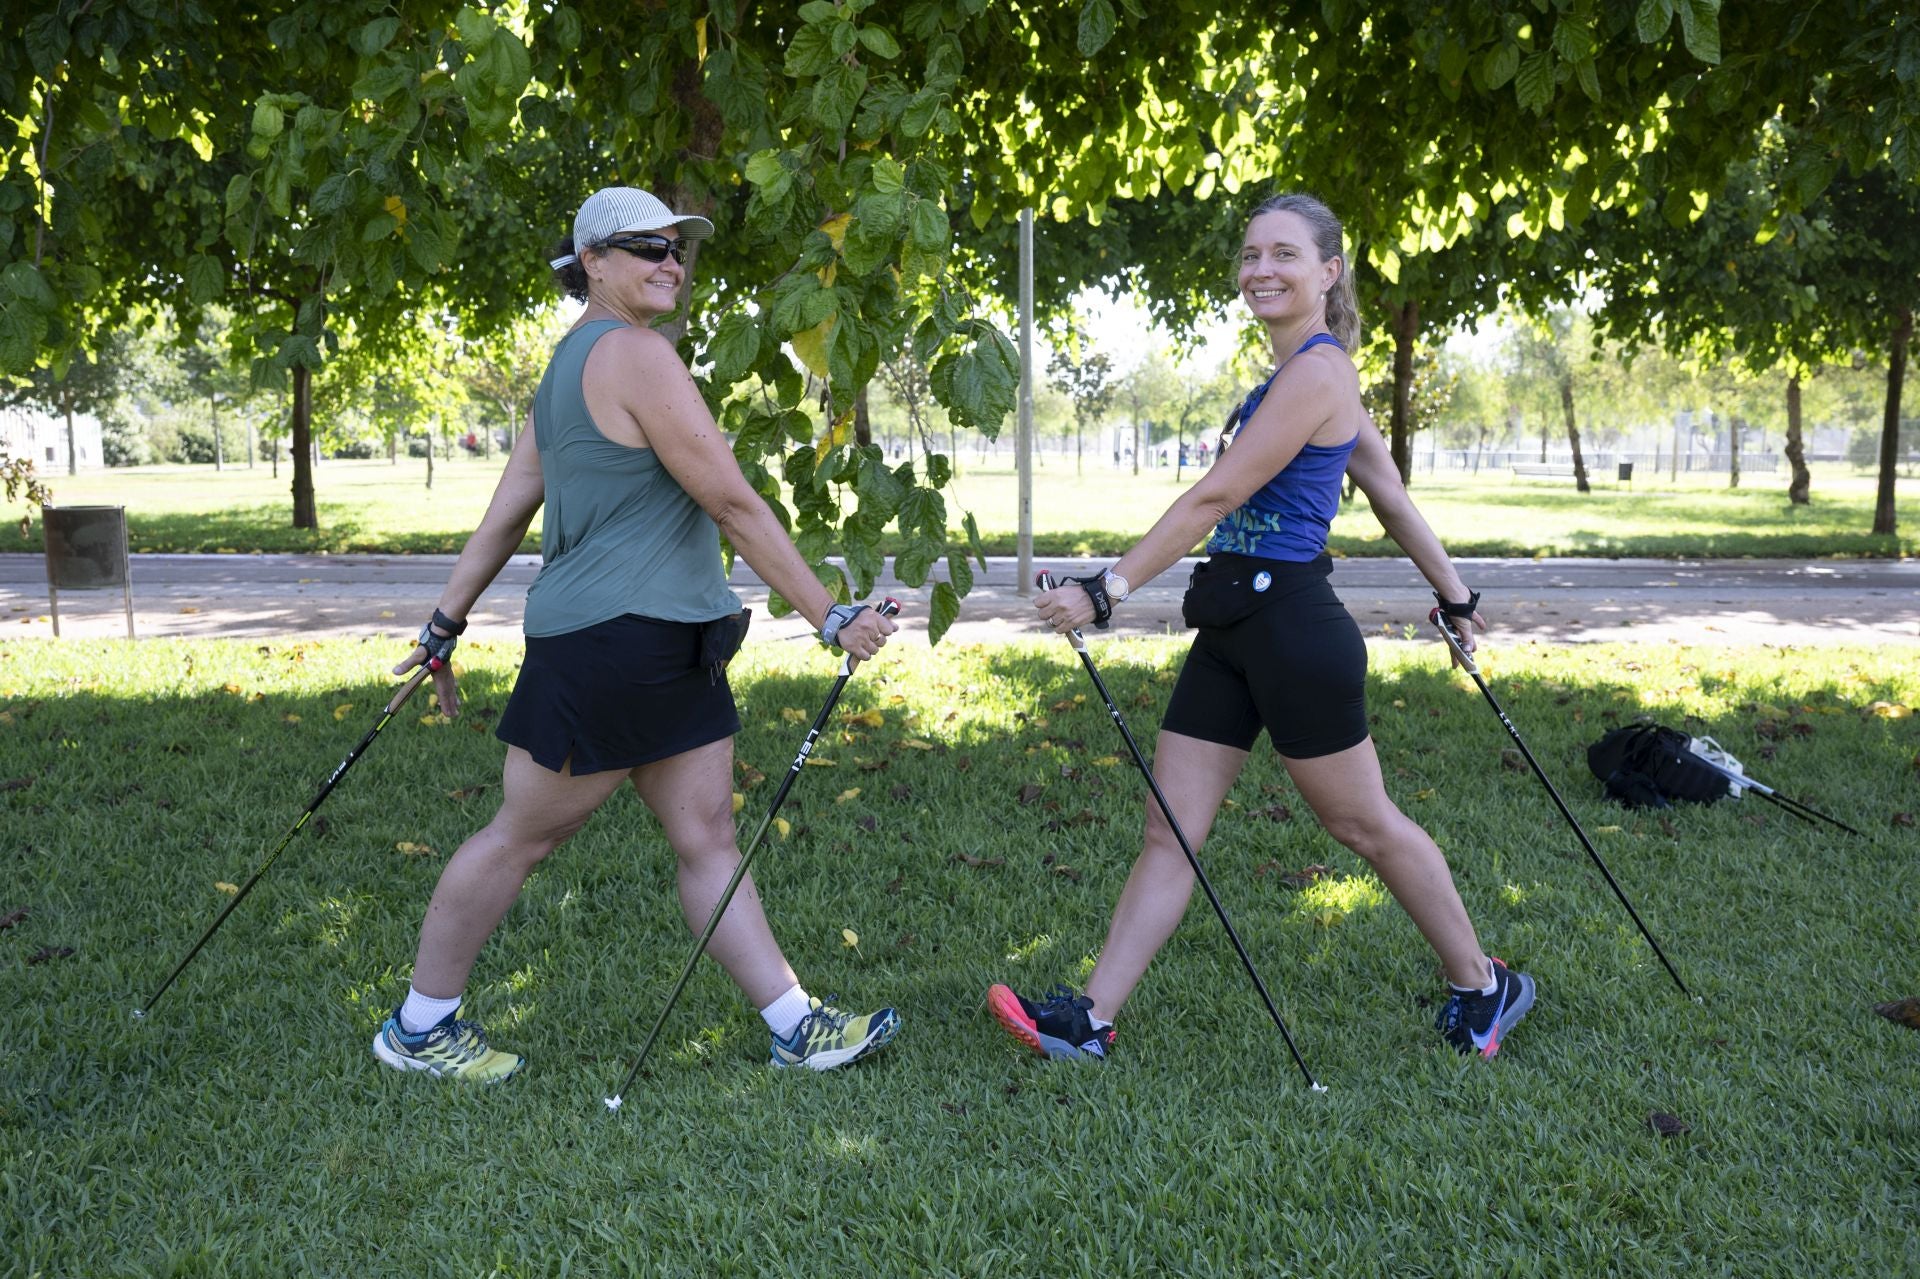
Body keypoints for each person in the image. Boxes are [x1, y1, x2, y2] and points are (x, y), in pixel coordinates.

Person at [988, 192, 1535, 1064]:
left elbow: (1218, 496)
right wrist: (1457, 595)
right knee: (1171, 826)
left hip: (1294, 631)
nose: (1261, 271)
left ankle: (1482, 982)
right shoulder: (1292, 381)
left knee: (1364, 825)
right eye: (1249, 256)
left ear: (1328, 271)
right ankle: (1089, 1017)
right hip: (1233, 628)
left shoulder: (1320, 374)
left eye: (1283, 254)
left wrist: (1111, 587)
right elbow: (1389, 494)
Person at [372, 187, 901, 1083]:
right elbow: (730, 499)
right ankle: (418, 1027)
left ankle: (794, 1023)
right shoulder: (636, 355)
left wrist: (444, 621)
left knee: (708, 839)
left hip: (670, 641)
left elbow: (507, 513)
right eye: (647, 247)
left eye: (679, 249)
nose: (671, 262)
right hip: (611, 644)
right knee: (520, 836)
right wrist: (832, 616)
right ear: (593, 264)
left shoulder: (568, 366)